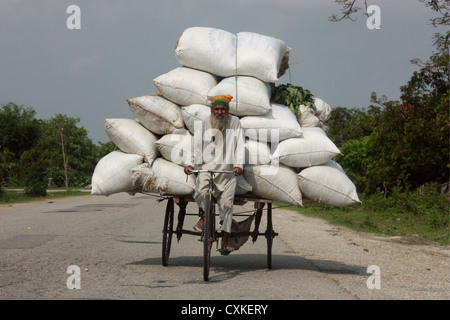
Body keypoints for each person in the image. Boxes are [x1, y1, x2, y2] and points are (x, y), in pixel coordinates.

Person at [184, 94, 245, 254]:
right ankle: (204, 217)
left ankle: (224, 242)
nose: (220, 112)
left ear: (228, 110)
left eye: (223, 109)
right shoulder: (205, 122)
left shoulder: (235, 122)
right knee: (201, 193)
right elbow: (197, 144)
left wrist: (239, 165)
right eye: (217, 109)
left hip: (227, 171)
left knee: (227, 205)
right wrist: (190, 163)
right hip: (206, 168)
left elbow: (240, 145)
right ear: (212, 110)